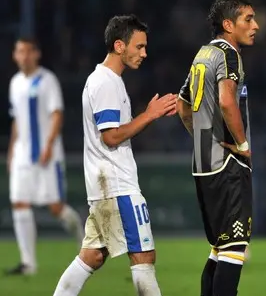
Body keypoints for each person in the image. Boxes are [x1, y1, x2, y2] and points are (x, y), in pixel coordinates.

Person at [53, 15, 177, 296]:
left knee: (92, 256)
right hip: (118, 187)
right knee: (144, 258)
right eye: (139, 46)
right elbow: (110, 136)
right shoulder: (106, 83)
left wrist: (146, 116)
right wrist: (149, 115)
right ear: (119, 45)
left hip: (105, 186)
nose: (144, 53)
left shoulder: (107, 80)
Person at [176, 0, 259, 296]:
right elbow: (227, 102)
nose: (256, 25)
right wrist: (243, 143)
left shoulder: (202, 54)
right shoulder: (228, 54)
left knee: (219, 247)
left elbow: (182, 106)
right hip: (226, 163)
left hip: (202, 161)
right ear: (228, 24)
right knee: (234, 247)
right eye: (248, 19)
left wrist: (201, 139)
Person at [5, 38, 84, 276]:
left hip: (47, 154)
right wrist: (11, 151)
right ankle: (28, 263)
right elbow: (17, 120)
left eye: (29, 51)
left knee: (55, 207)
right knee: (19, 202)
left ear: (37, 54)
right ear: (15, 55)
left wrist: (49, 145)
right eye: (20, 51)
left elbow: (57, 114)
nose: (24, 56)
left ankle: (81, 237)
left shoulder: (47, 80)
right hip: (22, 155)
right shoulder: (15, 82)